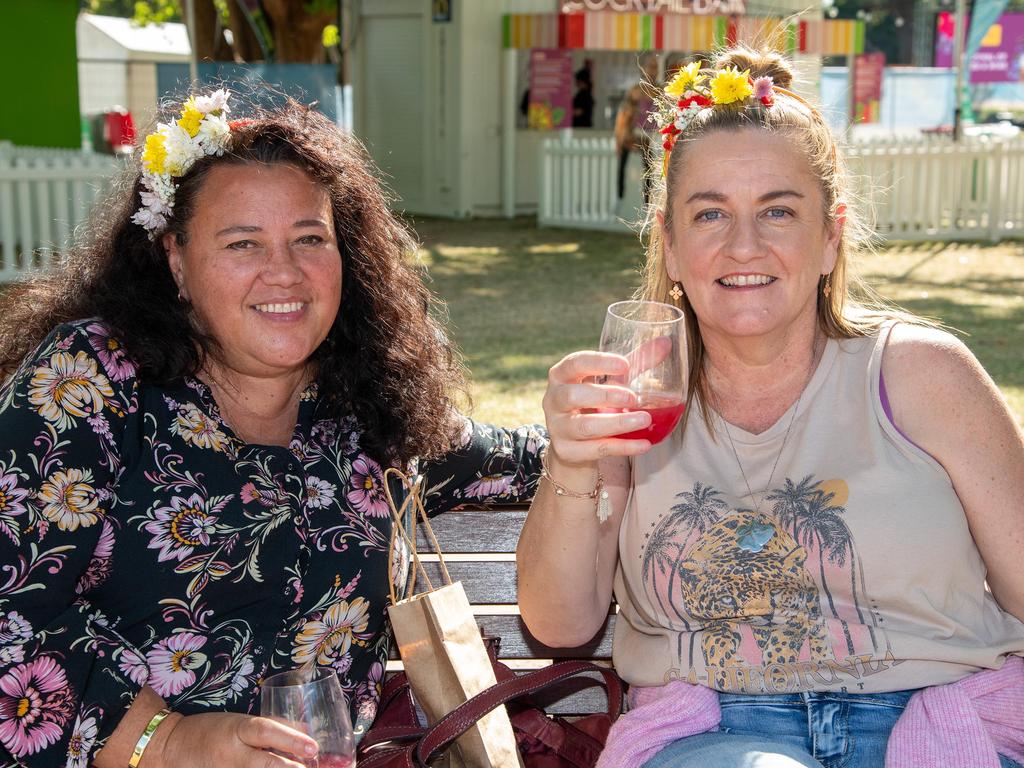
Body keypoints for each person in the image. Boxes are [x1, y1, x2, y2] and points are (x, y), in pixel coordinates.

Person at [0, 90, 545, 768]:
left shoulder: (369, 411)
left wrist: (604, 427)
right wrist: (165, 741)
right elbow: (12, 611)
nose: (283, 271)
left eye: (309, 238)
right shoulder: (92, 384)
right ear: (177, 259)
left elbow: (519, 458)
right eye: (242, 242)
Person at [518, 47, 1024, 768]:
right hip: (716, 734)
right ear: (669, 241)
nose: (743, 244)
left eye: (778, 211)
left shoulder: (922, 374)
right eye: (710, 213)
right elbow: (559, 623)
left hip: (938, 722)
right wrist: (571, 463)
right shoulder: (634, 397)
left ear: (830, 236)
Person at [614, 53, 659, 205]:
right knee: (623, 168)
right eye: (650, 66)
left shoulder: (660, 90)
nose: (653, 70)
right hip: (635, 135)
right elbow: (624, 115)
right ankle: (620, 199)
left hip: (654, 137)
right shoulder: (635, 90)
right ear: (643, 69)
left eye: (655, 67)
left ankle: (648, 203)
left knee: (650, 171)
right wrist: (619, 137)